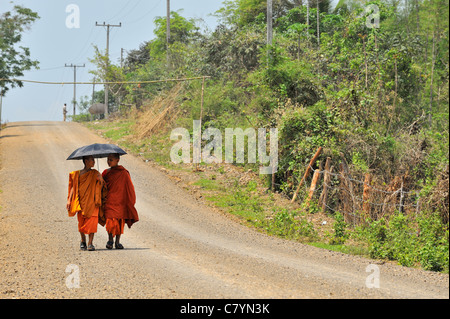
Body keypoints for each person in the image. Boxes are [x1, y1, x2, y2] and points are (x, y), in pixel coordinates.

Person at [67, 155, 106, 251]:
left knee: (92, 221)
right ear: (86, 161)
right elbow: (73, 187)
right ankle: (83, 239)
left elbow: (101, 187)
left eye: (94, 159)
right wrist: (69, 200)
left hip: (93, 202)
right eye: (92, 160)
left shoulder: (95, 173)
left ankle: (90, 243)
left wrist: (101, 180)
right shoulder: (77, 174)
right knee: (81, 223)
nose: (94, 161)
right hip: (81, 202)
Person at [102, 153, 139, 249]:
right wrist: (99, 179)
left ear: (117, 160)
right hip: (109, 200)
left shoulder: (123, 173)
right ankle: (110, 240)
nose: (108, 162)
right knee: (110, 220)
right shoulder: (105, 172)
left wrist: (129, 201)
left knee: (119, 221)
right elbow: (101, 186)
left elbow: (129, 188)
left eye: (111, 160)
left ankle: (117, 242)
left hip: (120, 200)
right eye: (108, 159)